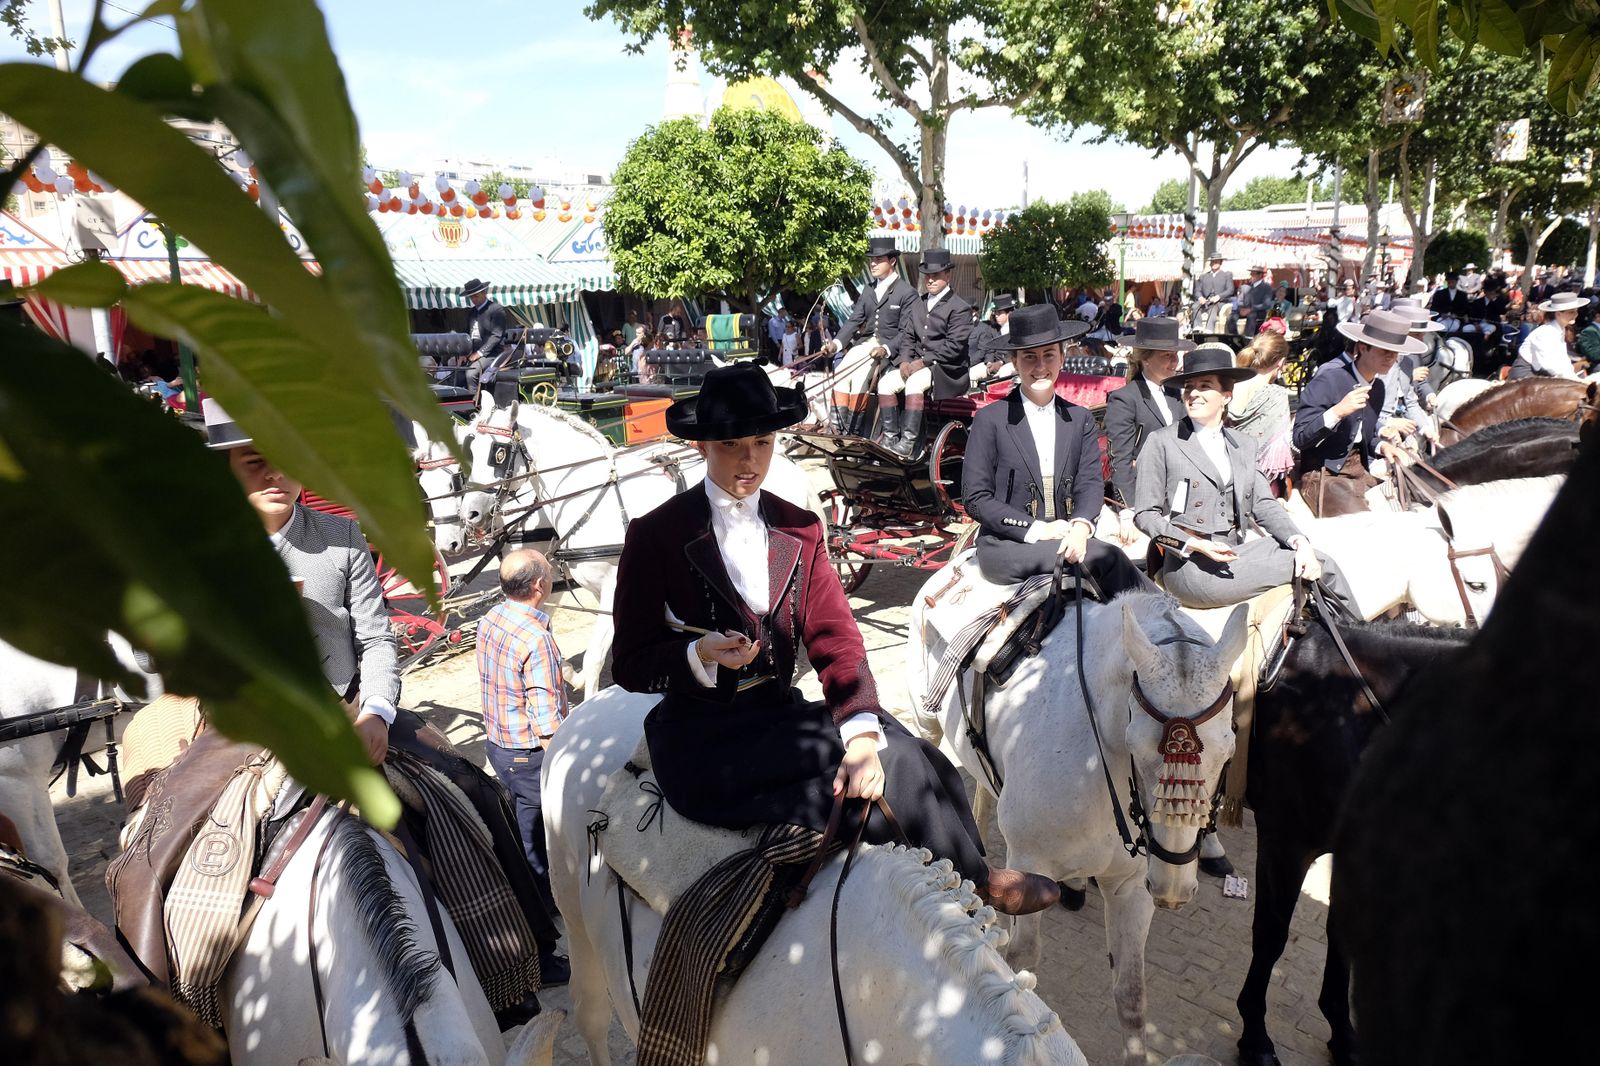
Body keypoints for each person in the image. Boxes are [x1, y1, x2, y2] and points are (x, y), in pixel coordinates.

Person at [611, 364, 1060, 915]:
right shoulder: (656, 533)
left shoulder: (800, 527)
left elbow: (836, 637)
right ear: (702, 444)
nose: (749, 461)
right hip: (702, 739)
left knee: (910, 753)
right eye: (731, 445)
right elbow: (629, 662)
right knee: (893, 776)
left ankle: (972, 875)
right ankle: (976, 887)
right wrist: (697, 655)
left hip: (777, 717)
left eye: (762, 442)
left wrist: (860, 733)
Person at [202, 400, 562, 1001]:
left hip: (351, 708)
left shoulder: (340, 537)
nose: (276, 475)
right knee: (170, 829)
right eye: (255, 462)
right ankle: (178, 980)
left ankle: (525, 948)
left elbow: (374, 637)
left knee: (471, 788)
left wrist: (376, 711)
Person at [1132, 346, 1354, 612]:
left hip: (1233, 553)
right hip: (1190, 567)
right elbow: (1145, 514)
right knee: (1324, 565)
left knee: (1307, 555)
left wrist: (1299, 540)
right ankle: (1361, 636)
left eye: (1204, 386)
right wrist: (1192, 543)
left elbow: (1264, 504)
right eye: (1189, 387)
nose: (1193, 394)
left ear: (1226, 396)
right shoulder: (1162, 441)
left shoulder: (1244, 444)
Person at [961, 305, 1154, 599]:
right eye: (1029, 357)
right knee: (1108, 558)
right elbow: (975, 498)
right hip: (1008, 545)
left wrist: (1081, 526)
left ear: (1063, 358)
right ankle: (1164, 612)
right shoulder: (990, 420)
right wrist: (1038, 530)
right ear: (1014, 361)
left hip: (1068, 536)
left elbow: (1090, 483)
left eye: (1049, 355)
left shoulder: (1080, 418)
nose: (1040, 366)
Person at [477, 549, 570, 978]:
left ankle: (545, 900)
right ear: (538, 586)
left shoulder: (492, 617)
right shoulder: (536, 639)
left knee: (525, 828)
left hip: (499, 746)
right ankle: (543, 929)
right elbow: (547, 722)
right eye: (548, 572)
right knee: (537, 840)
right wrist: (566, 766)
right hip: (530, 756)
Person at [1292, 308, 1424, 516]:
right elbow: (1300, 438)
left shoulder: (1378, 388)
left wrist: (1382, 446)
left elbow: (1363, 436)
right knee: (1364, 522)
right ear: (1363, 347)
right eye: (1384, 351)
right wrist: (1338, 412)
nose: (1391, 358)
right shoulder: (1328, 380)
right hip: (1322, 474)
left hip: (1360, 471)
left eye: (1395, 352)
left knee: (1412, 502)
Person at [874, 247, 975, 457]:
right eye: (927, 275)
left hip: (946, 368)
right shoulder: (919, 303)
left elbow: (954, 346)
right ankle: (891, 437)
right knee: (885, 383)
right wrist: (904, 361)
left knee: (914, 383)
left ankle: (908, 442)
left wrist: (922, 362)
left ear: (948, 275)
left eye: (936, 275)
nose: (930, 279)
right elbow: (908, 337)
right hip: (916, 364)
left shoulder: (960, 307)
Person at [1105, 316, 1192, 536]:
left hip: (1179, 496)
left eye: (1176, 355)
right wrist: (1128, 511)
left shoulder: (1175, 393)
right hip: (1144, 498)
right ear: (1146, 359)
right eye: (1167, 355)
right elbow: (1120, 459)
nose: (1175, 362)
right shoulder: (1125, 398)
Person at [822, 236, 915, 435]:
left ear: (892, 261)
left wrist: (886, 348)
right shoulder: (868, 289)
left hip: (888, 350)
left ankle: (853, 432)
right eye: (872, 260)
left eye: (878, 259)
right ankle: (836, 429)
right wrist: (835, 344)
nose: (873, 264)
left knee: (859, 377)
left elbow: (906, 332)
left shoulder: (907, 292)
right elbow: (854, 320)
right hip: (865, 344)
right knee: (841, 373)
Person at [1225, 333, 1294, 492]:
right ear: (1281, 362)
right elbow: (1277, 456)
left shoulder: (1229, 386)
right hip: (1259, 486)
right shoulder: (1276, 395)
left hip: (1225, 475)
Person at [1508, 291, 1586, 380]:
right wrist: (1574, 379)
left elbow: (1562, 359)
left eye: (1576, 311)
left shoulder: (1560, 330)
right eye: (1571, 312)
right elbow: (1550, 365)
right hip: (1525, 374)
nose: (1576, 315)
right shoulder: (1545, 332)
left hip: (1541, 373)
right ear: (1558, 314)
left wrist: (1574, 377)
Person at [462, 278, 508, 393]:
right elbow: (466, 334)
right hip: (473, 355)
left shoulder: (496, 310)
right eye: (471, 297)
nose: (473, 299)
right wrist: (463, 353)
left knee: (471, 373)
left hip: (492, 354)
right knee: (456, 374)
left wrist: (479, 353)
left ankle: (475, 402)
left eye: (476, 296)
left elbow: (496, 336)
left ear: (484, 293)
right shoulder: (471, 313)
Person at [967, 293, 1018, 385]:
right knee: (972, 373)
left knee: (1004, 372)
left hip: (1012, 363)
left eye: (999, 313)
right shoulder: (992, 329)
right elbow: (989, 349)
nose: (996, 316)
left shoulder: (1017, 329)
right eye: (995, 313)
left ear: (1009, 313)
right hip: (993, 363)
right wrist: (989, 362)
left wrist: (1001, 362)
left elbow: (1017, 351)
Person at [1195, 253, 1233, 333]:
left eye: (1216, 262)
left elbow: (1230, 290)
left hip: (1219, 302)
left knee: (1213, 308)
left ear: (1220, 263)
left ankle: (1209, 330)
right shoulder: (1203, 276)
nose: (1214, 263)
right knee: (1195, 306)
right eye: (1212, 261)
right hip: (1205, 301)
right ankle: (1197, 327)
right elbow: (1197, 290)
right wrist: (1200, 298)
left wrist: (1218, 297)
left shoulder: (1226, 275)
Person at [1240, 265, 1275, 336]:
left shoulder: (1266, 287)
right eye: (1251, 274)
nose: (1251, 276)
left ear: (1260, 275)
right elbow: (1242, 301)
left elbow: (1266, 304)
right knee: (1232, 316)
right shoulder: (1247, 287)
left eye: (1253, 274)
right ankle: (1233, 338)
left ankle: (1248, 337)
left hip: (1259, 312)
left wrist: (1251, 309)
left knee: (1251, 316)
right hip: (1246, 310)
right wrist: (1241, 309)